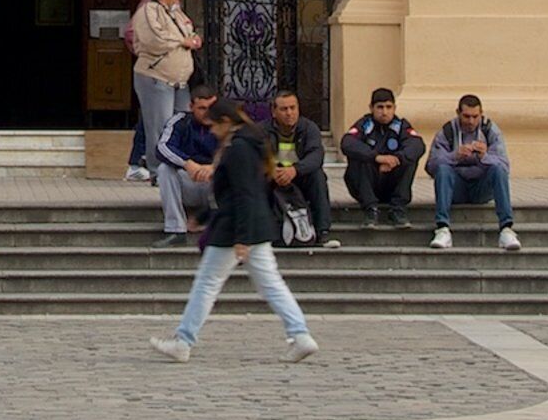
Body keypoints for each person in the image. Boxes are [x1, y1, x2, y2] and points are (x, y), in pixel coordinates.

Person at [150, 98, 316, 363]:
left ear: (226, 123)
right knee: (271, 284)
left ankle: (184, 340)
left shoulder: (238, 149)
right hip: (251, 224)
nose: (212, 131)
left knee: (207, 283)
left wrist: (241, 237)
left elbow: (242, 194)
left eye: (214, 125)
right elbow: (229, 191)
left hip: (235, 228)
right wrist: (204, 216)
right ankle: (301, 335)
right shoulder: (249, 143)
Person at [124, 0, 201, 184]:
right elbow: (153, 40)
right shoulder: (148, 11)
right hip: (156, 76)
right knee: (159, 125)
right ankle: (159, 171)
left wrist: (193, 38)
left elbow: (187, 28)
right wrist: (182, 41)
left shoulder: (175, 11)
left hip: (179, 79)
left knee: (181, 122)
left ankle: (179, 165)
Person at [428, 94, 519, 251]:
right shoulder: (447, 131)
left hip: (481, 188)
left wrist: (485, 156)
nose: (471, 121)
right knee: (443, 170)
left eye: (475, 116)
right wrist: (454, 156)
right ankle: (442, 228)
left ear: (481, 114)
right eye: (466, 116)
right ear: (458, 113)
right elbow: (431, 166)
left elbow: (504, 165)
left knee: (497, 170)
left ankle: (506, 229)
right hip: (457, 188)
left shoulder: (490, 130)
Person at [341, 88, 427, 228]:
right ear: (371, 108)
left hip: (391, 184)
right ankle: (370, 210)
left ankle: (397, 210)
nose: (384, 112)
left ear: (394, 108)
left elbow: (417, 145)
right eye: (380, 107)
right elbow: (347, 143)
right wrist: (376, 158)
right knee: (358, 158)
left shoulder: (401, 126)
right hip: (367, 185)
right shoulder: (365, 125)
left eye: (388, 107)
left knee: (410, 159)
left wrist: (396, 159)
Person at [153, 86, 225, 244]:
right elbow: (162, 147)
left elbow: (238, 154)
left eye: (211, 108)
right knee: (164, 170)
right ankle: (176, 229)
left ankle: (218, 225)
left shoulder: (224, 123)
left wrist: (214, 167)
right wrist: (187, 163)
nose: (207, 113)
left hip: (214, 183)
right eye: (201, 108)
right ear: (191, 107)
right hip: (189, 181)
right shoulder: (180, 121)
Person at [262, 88, 331, 248]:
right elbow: (254, 157)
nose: (289, 113)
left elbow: (316, 156)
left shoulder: (309, 128)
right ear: (274, 112)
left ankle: (323, 231)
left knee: (318, 176)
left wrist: (295, 170)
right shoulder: (262, 131)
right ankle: (263, 231)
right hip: (273, 177)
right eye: (284, 109)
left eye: (293, 108)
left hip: (299, 176)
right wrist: (271, 171)